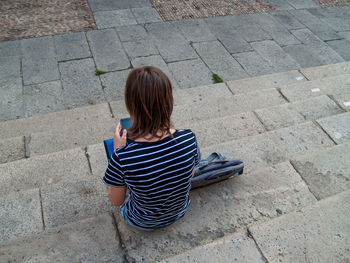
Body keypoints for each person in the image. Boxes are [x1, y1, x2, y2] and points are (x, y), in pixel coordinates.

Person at [103, 66, 200, 231]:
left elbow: (116, 201)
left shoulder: (123, 157)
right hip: (179, 211)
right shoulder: (189, 138)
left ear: (130, 105)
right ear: (169, 101)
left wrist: (118, 152)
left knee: (121, 176)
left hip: (141, 221)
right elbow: (190, 173)